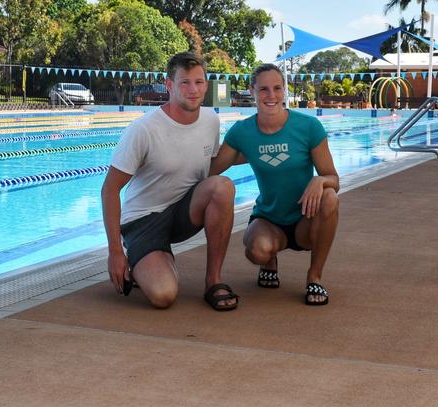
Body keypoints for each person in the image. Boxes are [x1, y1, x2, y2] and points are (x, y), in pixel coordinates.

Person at [101, 52, 239, 311]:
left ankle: (213, 281)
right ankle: (145, 260)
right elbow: (110, 189)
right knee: (164, 296)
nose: (193, 89)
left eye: (199, 82)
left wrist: (261, 150)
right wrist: (115, 252)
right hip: (143, 221)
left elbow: (212, 164)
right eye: (184, 82)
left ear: (206, 85)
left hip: (182, 213)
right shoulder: (143, 130)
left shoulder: (210, 120)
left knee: (223, 187)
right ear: (169, 85)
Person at [210, 64, 339, 306]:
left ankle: (315, 276)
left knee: (330, 197)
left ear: (284, 90)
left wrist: (319, 180)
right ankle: (270, 261)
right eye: (264, 89)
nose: (272, 96)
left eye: (277, 88)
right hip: (269, 220)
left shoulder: (308, 127)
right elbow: (212, 168)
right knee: (257, 250)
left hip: (305, 219)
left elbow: (333, 178)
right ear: (253, 91)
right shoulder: (242, 132)